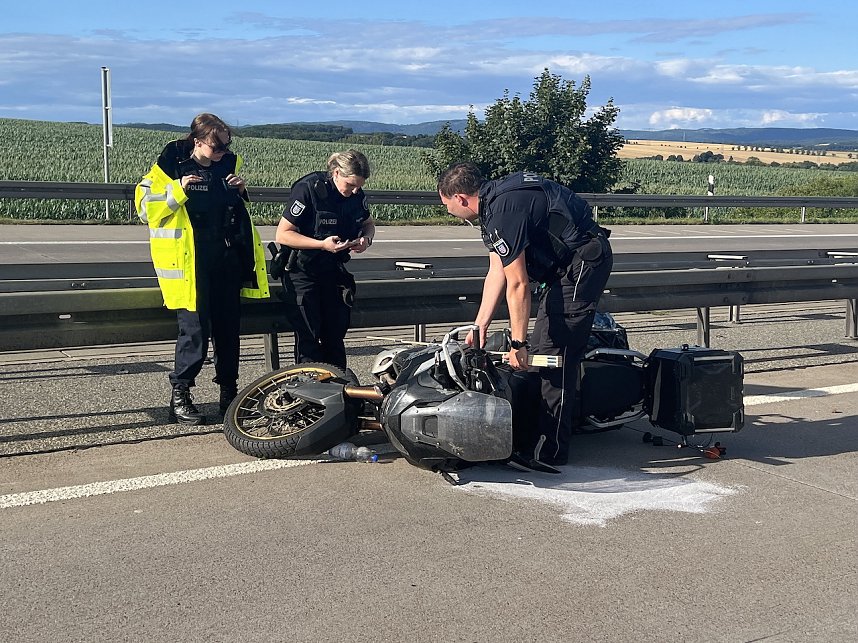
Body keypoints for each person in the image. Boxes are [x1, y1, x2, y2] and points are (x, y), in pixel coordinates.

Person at [437, 162, 613, 472]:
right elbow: (497, 273)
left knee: (551, 353)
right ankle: (533, 431)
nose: (449, 212)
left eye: (448, 205)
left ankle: (550, 449)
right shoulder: (492, 207)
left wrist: (518, 342)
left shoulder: (502, 210)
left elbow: (518, 284)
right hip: (562, 267)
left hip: (583, 262)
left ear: (461, 198)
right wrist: (479, 326)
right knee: (543, 347)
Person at [136, 113, 270, 425]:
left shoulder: (226, 168)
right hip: (190, 265)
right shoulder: (168, 169)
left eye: (226, 145)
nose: (222, 151)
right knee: (194, 331)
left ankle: (229, 395)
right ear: (197, 141)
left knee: (227, 331)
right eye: (216, 146)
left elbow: (232, 214)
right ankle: (180, 395)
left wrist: (240, 191)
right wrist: (178, 190)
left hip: (226, 260)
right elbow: (145, 210)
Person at [274, 150, 375, 369]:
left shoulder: (357, 194)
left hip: (333, 271)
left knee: (335, 337)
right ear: (336, 173)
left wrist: (366, 239)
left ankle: (338, 392)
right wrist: (321, 244)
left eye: (359, 185)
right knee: (309, 339)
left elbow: (368, 224)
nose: (355, 190)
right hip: (303, 272)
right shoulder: (309, 189)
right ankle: (309, 392)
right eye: (350, 185)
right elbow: (283, 234)